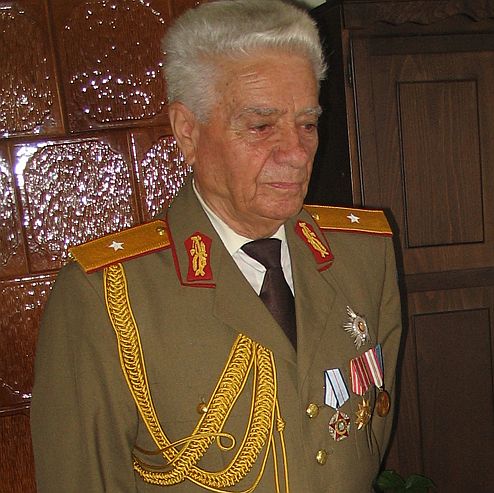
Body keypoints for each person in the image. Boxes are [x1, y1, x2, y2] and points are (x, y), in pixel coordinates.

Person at [30, 0, 402, 491]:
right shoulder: (108, 296)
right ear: (188, 131)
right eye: (261, 126)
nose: (296, 152)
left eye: (308, 123)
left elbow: (367, 436)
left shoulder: (362, 255)